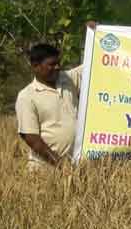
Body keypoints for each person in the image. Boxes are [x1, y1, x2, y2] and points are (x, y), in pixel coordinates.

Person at [15, 22, 95, 170]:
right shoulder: (27, 96)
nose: (57, 67)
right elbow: (32, 138)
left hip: (76, 166)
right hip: (46, 170)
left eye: (58, 63)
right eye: (51, 64)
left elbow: (94, 64)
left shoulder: (68, 78)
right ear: (35, 66)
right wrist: (60, 165)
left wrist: (95, 35)